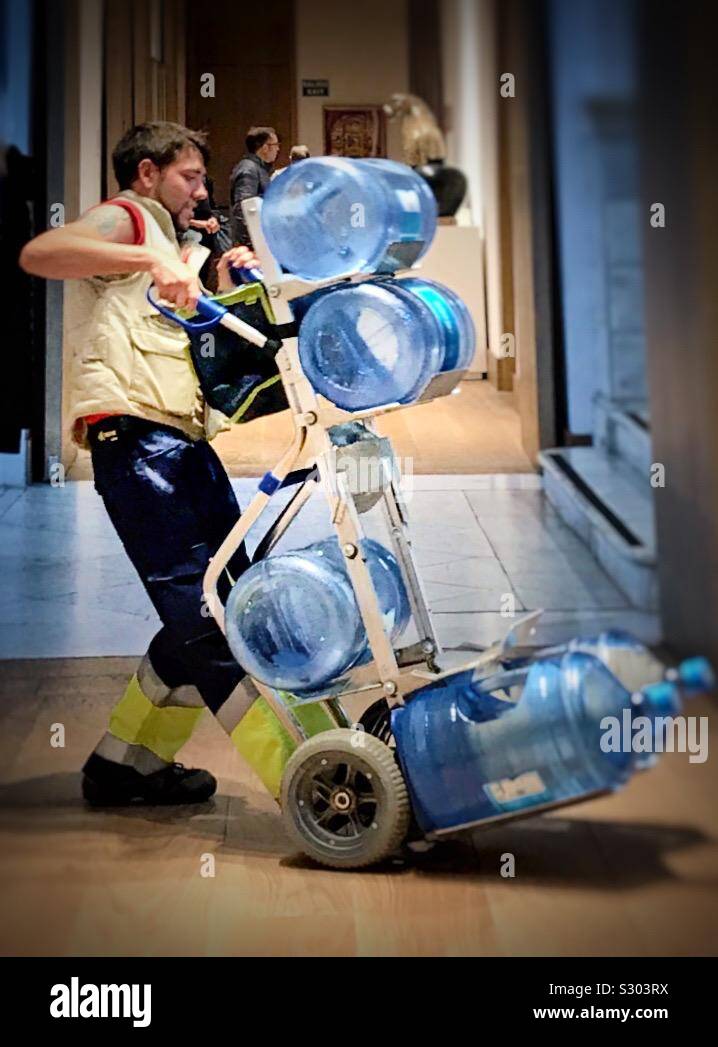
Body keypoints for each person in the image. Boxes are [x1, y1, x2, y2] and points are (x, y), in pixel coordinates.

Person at [19, 121, 315, 806]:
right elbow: (41, 251)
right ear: (147, 173)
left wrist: (215, 281)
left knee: (224, 599)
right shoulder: (128, 218)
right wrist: (147, 262)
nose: (202, 192)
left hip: (181, 445)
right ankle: (301, 776)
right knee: (211, 616)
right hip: (137, 446)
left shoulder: (177, 244)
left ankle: (126, 764)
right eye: (191, 177)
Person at [229, 126, 280, 246]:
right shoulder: (249, 169)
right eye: (276, 144)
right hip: (252, 243)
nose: (278, 149)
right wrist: (253, 242)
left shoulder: (258, 168)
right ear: (265, 147)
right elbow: (244, 208)